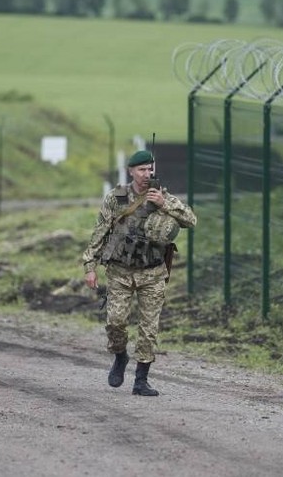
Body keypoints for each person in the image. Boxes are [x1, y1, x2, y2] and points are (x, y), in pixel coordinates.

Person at [82, 149, 197, 396]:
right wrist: (89, 266)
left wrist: (164, 205)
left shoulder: (162, 197)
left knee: (148, 328)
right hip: (120, 271)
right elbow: (100, 231)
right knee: (115, 322)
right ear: (131, 171)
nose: (147, 174)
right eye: (142, 170)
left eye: (150, 169)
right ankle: (120, 357)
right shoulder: (119, 197)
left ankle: (141, 380)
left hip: (153, 272)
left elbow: (191, 220)